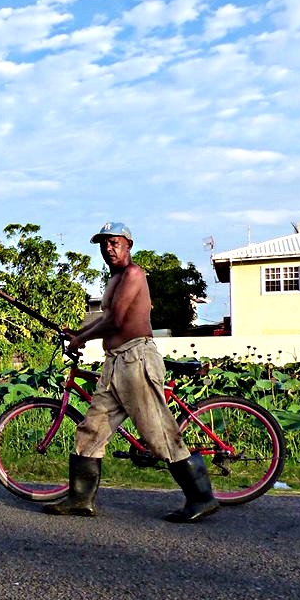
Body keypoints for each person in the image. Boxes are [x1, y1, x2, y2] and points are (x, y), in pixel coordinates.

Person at [43, 221, 219, 523]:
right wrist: (77, 332)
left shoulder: (134, 274)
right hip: (115, 363)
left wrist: (81, 338)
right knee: (91, 429)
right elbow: (107, 319)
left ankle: (201, 498)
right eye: (104, 245)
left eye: (114, 243)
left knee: (158, 433)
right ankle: (80, 499)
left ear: (128, 245)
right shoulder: (114, 279)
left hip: (136, 359)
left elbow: (118, 321)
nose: (108, 249)